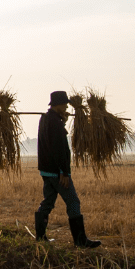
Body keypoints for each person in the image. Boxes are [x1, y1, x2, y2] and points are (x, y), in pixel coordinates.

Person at [35, 90, 101, 248]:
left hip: (46, 170)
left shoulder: (45, 119)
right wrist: (64, 172)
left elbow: (51, 141)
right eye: (65, 104)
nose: (67, 107)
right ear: (59, 104)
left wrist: (62, 122)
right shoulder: (54, 122)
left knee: (48, 201)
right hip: (57, 172)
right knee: (73, 201)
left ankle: (40, 237)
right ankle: (80, 241)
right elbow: (59, 149)